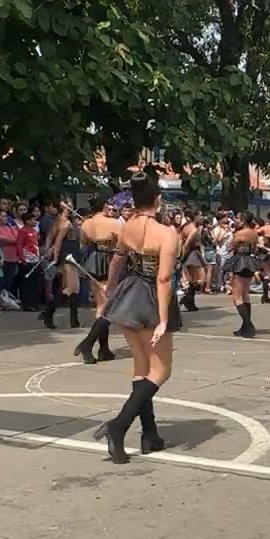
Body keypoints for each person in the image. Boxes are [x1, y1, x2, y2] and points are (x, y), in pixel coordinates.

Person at [92, 173, 182, 463]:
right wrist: (164, 318)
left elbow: (118, 259)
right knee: (161, 371)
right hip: (153, 297)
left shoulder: (127, 226)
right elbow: (164, 277)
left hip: (129, 295)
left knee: (141, 368)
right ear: (157, 199)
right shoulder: (167, 233)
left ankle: (150, 434)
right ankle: (119, 425)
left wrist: (110, 288)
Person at [71, 195, 123, 364]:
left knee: (101, 305)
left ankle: (104, 349)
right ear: (104, 206)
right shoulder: (114, 223)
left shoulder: (86, 223)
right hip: (108, 260)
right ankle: (88, 344)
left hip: (92, 260)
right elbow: (123, 244)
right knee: (108, 307)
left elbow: (84, 243)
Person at [226, 212, 261, 337]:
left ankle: (248, 325)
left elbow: (231, 246)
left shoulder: (240, 233)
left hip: (240, 261)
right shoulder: (254, 233)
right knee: (245, 295)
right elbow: (255, 248)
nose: (235, 220)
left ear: (243, 220)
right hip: (250, 262)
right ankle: (245, 326)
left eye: (237, 218)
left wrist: (233, 235)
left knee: (237, 297)